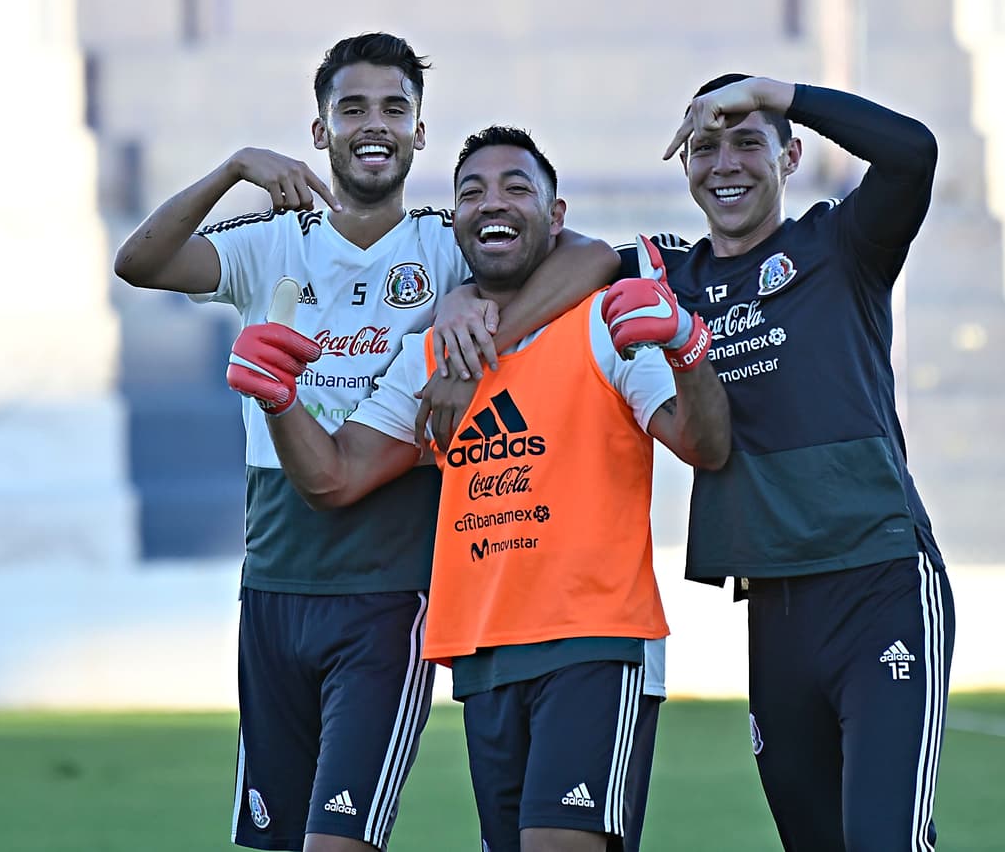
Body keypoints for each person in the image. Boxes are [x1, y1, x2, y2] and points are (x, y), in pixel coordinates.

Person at [112, 33, 617, 852]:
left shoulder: (446, 240)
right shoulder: (272, 240)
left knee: (339, 841)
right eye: (352, 108)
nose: (372, 124)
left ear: (419, 132)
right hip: (273, 583)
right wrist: (234, 166)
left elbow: (590, 256)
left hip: (390, 590)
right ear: (321, 132)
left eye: (394, 108)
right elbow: (140, 262)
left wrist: (479, 319)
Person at [230, 125, 730, 852]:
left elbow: (703, 444)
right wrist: (280, 400)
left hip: (595, 639)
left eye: (518, 187)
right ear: (455, 222)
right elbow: (334, 478)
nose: (493, 202)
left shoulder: (604, 322)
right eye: (472, 191)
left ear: (556, 216)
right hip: (484, 652)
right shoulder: (425, 354)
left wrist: (685, 348)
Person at [622, 74, 956, 851]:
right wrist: (469, 303)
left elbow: (913, 153)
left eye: (748, 139)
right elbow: (553, 259)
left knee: (885, 839)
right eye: (705, 145)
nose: (725, 163)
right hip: (773, 607)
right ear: (684, 166)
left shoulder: (841, 245)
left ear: (791, 155)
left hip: (879, 584)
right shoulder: (676, 280)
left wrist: (782, 90)